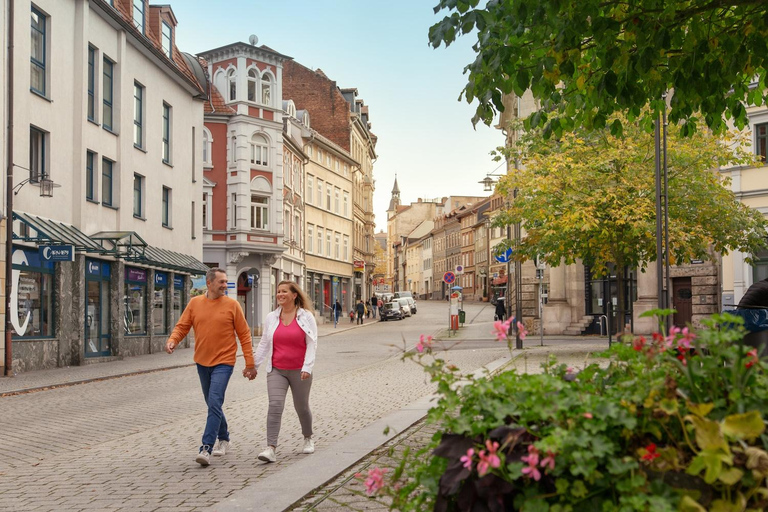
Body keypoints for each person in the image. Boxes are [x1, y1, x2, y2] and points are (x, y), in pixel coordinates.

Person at [166, 267, 257, 467]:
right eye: (221, 282)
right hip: (202, 361)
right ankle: (224, 438)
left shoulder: (233, 305)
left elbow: (244, 335)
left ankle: (206, 447)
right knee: (212, 403)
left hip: (224, 362)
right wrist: (173, 340)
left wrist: (250, 363)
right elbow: (182, 326)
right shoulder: (195, 303)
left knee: (215, 401)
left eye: (226, 281)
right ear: (209, 283)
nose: (225, 285)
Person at [254, 280, 318, 462]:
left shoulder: (306, 317)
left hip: (300, 371)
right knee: (275, 405)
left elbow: (312, 343)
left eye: (284, 291)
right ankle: (270, 448)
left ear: (294, 295)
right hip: (276, 370)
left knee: (302, 407)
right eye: (278, 291)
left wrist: (307, 367)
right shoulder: (271, 317)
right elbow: (265, 343)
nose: (280, 294)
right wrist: (254, 365)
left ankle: (308, 438)